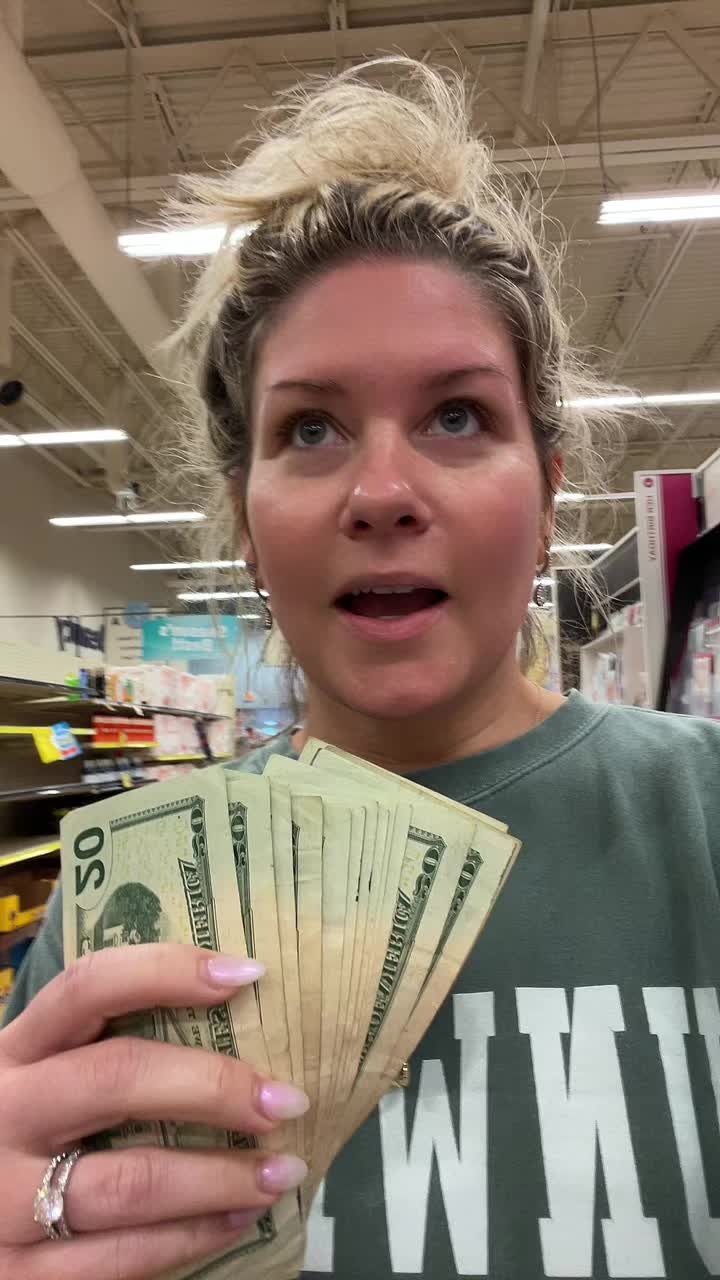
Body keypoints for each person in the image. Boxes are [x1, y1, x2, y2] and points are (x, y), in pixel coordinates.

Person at [2, 56, 720, 1280]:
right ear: (245, 517)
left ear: (548, 493)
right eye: (312, 428)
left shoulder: (702, 816)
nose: (383, 491)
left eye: (458, 415)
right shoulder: (118, 915)